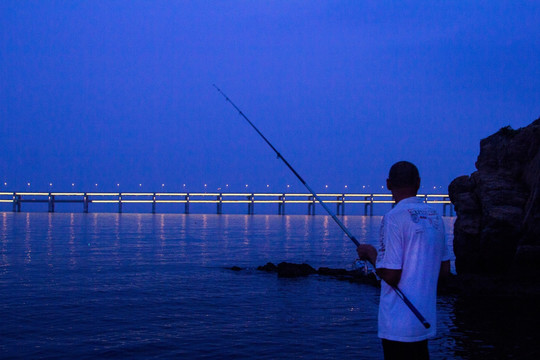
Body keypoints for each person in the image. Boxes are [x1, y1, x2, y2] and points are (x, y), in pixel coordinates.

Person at [357, 161, 451, 360]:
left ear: (388, 184)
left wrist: (371, 254)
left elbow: (391, 275)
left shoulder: (393, 218)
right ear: (418, 183)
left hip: (397, 326)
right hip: (424, 322)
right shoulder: (435, 217)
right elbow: (444, 271)